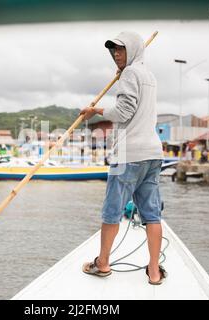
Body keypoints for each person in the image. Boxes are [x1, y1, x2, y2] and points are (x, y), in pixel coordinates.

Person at [79, 31, 166, 285]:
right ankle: (154, 271)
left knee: (112, 212)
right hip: (153, 153)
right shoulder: (148, 75)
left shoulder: (130, 74)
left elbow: (124, 111)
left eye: (121, 49)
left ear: (135, 49)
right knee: (152, 214)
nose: (116, 54)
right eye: (113, 50)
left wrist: (95, 110)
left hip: (129, 154)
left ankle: (103, 264)